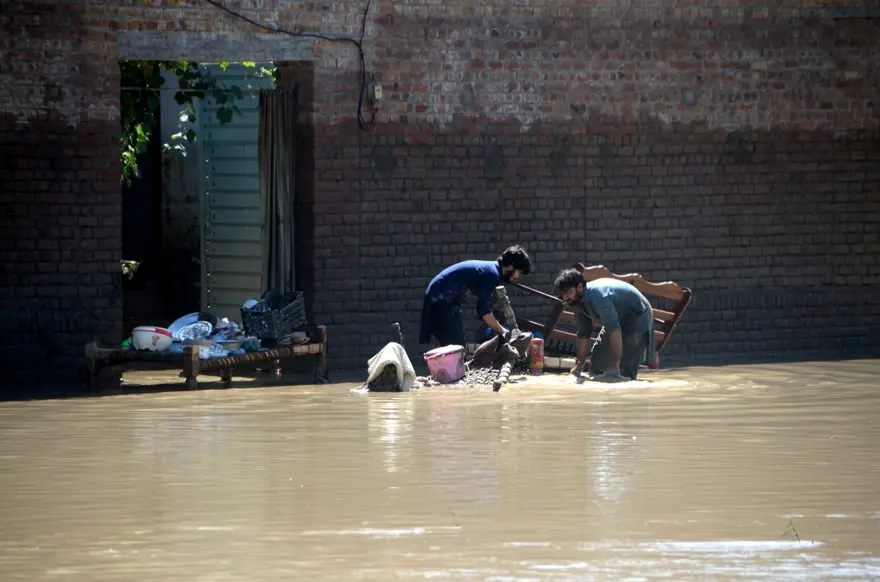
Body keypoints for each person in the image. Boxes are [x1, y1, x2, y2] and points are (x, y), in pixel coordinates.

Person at [553, 268, 656, 381]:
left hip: (638, 314)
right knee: (597, 367)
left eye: (567, 292)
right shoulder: (574, 301)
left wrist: (615, 368)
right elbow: (584, 334)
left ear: (580, 287)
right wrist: (579, 367)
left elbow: (614, 330)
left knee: (624, 371)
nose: (564, 298)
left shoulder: (599, 297)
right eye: (562, 294)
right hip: (618, 316)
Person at [419, 245, 533, 347]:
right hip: (441, 299)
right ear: (511, 265)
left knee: (453, 345)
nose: (518, 276)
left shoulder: (491, 270)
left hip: (441, 297)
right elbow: (484, 310)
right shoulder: (491, 274)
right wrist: (503, 331)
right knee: (455, 347)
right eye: (519, 271)